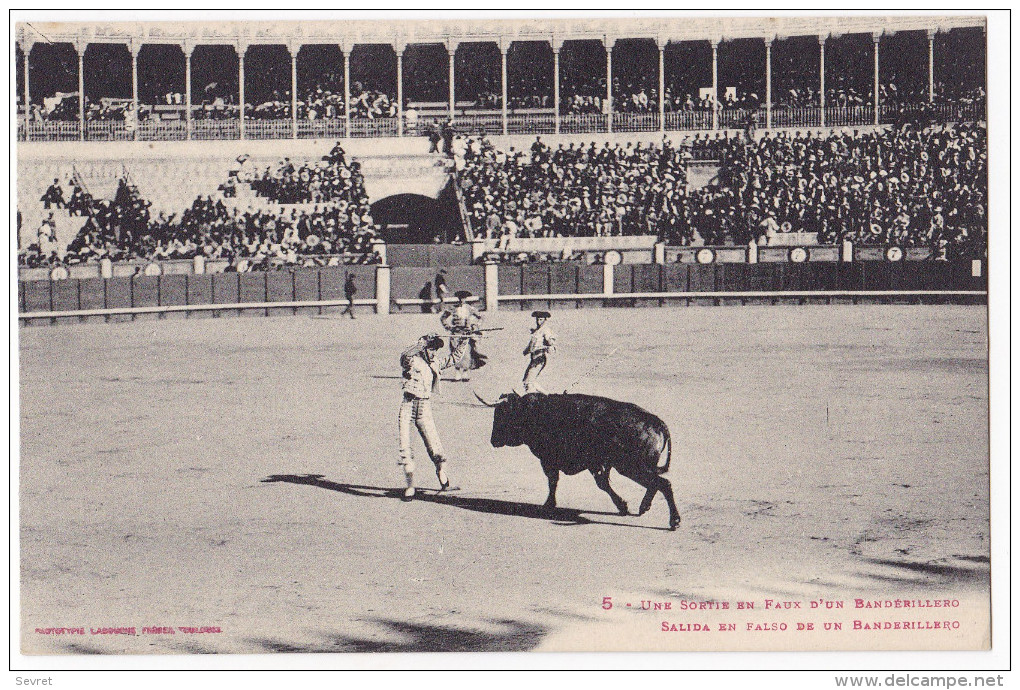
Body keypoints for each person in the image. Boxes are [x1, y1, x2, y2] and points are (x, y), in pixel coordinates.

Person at [398, 333, 459, 501]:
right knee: (405, 445)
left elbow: (453, 359)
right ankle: (410, 486)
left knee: (434, 443)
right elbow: (405, 355)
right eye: (431, 349)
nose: (434, 353)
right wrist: (421, 342)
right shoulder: (412, 360)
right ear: (424, 348)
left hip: (424, 408)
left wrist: (464, 340)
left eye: (435, 350)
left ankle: (442, 474)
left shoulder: (434, 362)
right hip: (408, 406)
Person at [440, 290, 487, 382]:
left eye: (464, 298)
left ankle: (465, 372)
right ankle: (457, 372)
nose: (462, 300)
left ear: (466, 299)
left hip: (466, 333)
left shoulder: (470, 308)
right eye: (460, 298)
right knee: (455, 351)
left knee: (466, 352)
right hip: (456, 333)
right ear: (458, 299)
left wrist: (475, 326)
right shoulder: (452, 308)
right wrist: (448, 327)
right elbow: (443, 318)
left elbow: (481, 317)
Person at [523, 310, 556, 393]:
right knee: (528, 380)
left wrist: (549, 344)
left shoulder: (546, 330)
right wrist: (526, 351)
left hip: (539, 358)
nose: (538, 321)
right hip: (534, 358)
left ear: (545, 320)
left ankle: (535, 398)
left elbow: (551, 342)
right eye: (537, 319)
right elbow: (531, 345)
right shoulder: (537, 331)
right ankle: (548, 396)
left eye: (541, 319)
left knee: (529, 381)